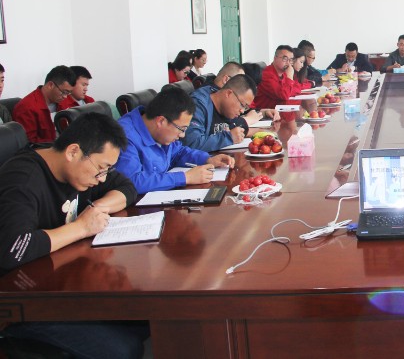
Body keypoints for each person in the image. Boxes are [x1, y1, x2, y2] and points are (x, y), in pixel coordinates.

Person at [0, 112, 149, 358]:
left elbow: (126, 187)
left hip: (62, 282)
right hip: (23, 302)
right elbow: (15, 248)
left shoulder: (78, 169)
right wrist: (81, 228)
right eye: (101, 169)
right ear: (73, 152)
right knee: (125, 350)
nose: (102, 178)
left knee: (144, 316)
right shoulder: (23, 180)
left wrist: (97, 209)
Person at [116, 86, 234, 194]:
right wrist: (185, 177)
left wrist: (207, 159)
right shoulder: (124, 136)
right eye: (181, 129)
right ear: (161, 121)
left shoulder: (161, 133)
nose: (182, 135)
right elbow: (132, 182)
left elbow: (178, 152)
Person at [185, 74, 258, 152]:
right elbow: (192, 143)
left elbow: (238, 127)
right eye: (242, 105)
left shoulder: (226, 109)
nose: (242, 111)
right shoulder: (198, 104)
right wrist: (229, 137)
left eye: (246, 107)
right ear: (228, 93)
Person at [13, 65, 76, 143]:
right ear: (50, 85)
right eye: (64, 92)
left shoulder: (62, 102)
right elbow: (30, 143)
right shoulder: (27, 107)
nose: (65, 97)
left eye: (68, 93)